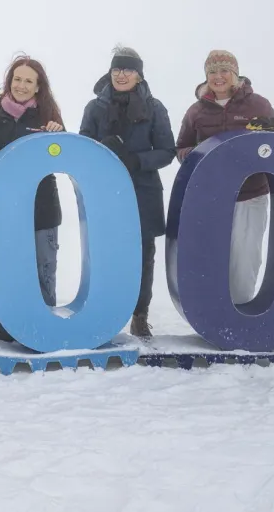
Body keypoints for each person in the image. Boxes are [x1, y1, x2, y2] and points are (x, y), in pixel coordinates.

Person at [175, 50, 274, 305]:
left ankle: (239, 310)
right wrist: (194, 153)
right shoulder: (196, 111)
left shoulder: (257, 103)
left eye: (224, 70)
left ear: (235, 74)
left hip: (251, 195)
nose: (218, 77)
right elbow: (180, 148)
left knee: (246, 256)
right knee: (211, 253)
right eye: (212, 72)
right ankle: (212, 311)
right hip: (212, 195)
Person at [80, 47, 175, 337]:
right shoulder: (94, 108)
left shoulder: (155, 107)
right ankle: (105, 311)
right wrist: (102, 152)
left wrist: (136, 160)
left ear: (139, 74)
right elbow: (83, 147)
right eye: (117, 70)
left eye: (128, 70)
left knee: (144, 256)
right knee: (106, 252)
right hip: (106, 192)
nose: (122, 75)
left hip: (143, 190)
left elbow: (167, 151)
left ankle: (139, 314)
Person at [0, 55, 65, 344]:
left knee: (43, 268)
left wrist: (58, 135)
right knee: (9, 270)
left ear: (38, 86)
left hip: (42, 207)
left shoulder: (48, 115)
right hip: (5, 208)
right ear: (9, 80)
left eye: (28, 80)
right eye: (17, 78)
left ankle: (44, 333)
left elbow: (62, 155)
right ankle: (4, 332)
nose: (21, 85)